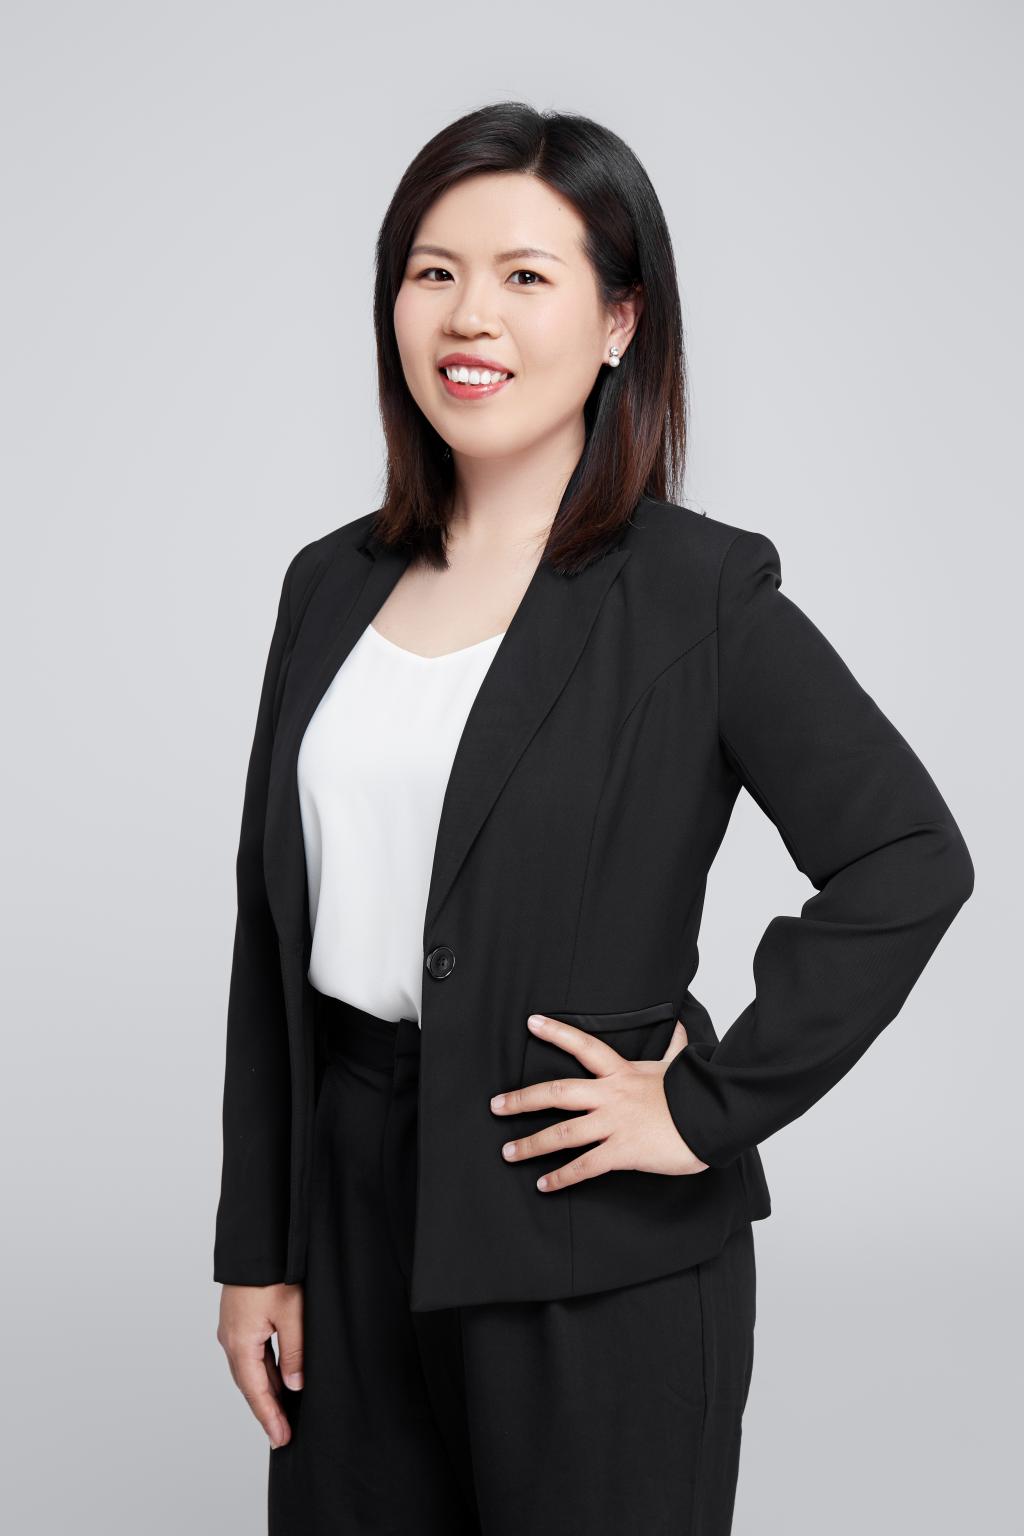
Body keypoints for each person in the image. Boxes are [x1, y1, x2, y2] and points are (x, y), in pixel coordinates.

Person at [214, 102, 974, 1535]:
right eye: (433, 272)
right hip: (352, 1221)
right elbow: (273, 938)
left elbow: (908, 858)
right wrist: (257, 1245)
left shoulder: (697, 596)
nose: (469, 316)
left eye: (526, 275)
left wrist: (703, 1110)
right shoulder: (327, 586)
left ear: (621, 320)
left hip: (591, 1243)